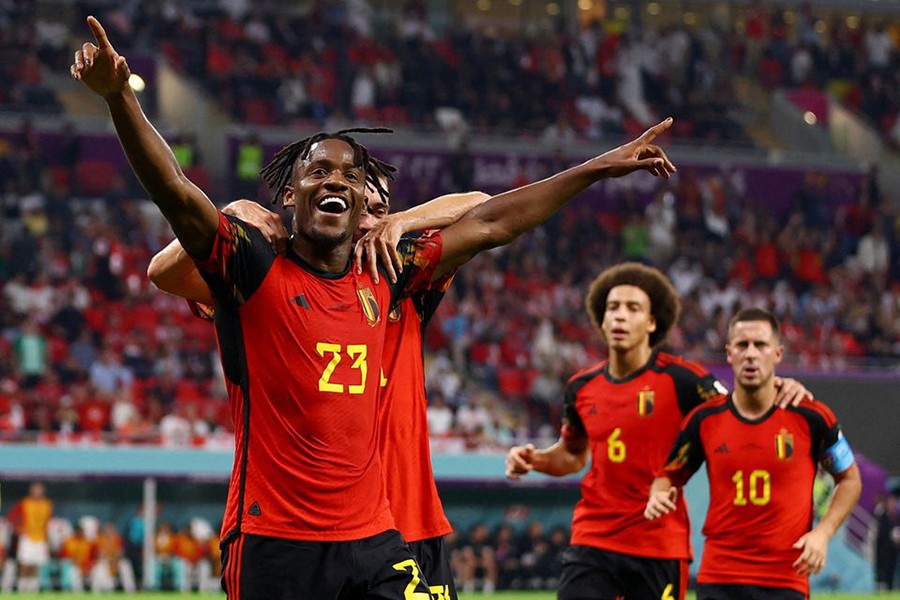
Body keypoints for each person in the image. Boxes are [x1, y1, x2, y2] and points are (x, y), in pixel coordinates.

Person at [72, 15, 676, 598]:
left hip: (378, 538)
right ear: (289, 191)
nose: (335, 181)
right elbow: (174, 195)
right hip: (276, 539)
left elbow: (490, 219)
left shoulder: (390, 273)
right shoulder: (252, 268)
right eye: (318, 171)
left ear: (366, 202)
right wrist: (119, 99)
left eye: (351, 176)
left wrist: (600, 167)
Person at [148, 179, 491, 600]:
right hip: (312, 529)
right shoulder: (275, 281)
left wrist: (401, 222)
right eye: (356, 204)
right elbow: (164, 272)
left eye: (377, 208)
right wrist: (232, 211)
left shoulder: (407, 279)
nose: (365, 217)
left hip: (409, 520)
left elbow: (480, 205)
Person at [505, 263, 809, 600]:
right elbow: (573, 455)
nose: (620, 316)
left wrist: (775, 384)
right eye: (613, 308)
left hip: (658, 543)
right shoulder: (582, 386)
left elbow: (738, 408)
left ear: (652, 322)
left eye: (633, 308)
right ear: (602, 320)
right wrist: (536, 459)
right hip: (593, 539)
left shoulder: (683, 380)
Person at [645, 307, 862, 600]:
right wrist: (659, 493)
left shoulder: (812, 417)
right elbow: (669, 476)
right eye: (742, 345)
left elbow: (850, 479)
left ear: (777, 353)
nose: (750, 353)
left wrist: (823, 534)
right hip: (719, 577)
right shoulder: (703, 420)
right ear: (729, 353)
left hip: (786, 577)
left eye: (760, 345)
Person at [14, 482, 53, 592]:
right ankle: (22, 590)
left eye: (39, 490)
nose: (37, 492)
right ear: (31, 491)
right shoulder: (24, 503)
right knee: (25, 564)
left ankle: (33, 591)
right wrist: (18, 528)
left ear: (43, 491)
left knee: (36, 565)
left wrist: (47, 541)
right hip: (27, 537)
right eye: (35, 489)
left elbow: (47, 523)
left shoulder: (47, 504)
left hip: (40, 537)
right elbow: (12, 516)